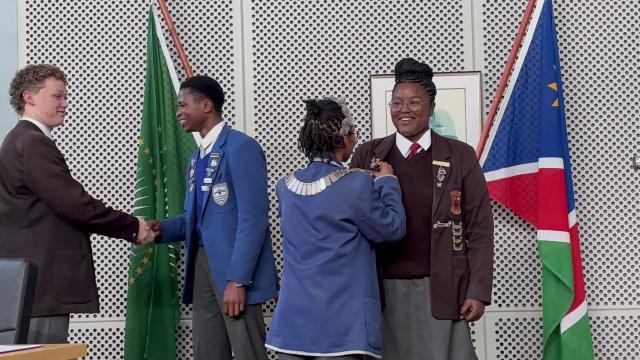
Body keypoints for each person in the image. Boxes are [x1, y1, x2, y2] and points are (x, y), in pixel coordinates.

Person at [351, 58, 494, 359]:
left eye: (414, 102)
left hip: (443, 288)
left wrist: (478, 291)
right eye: (397, 102)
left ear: (431, 106)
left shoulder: (460, 156)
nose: (404, 110)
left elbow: (480, 228)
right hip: (381, 289)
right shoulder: (367, 154)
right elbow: (351, 226)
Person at [0, 64, 154, 344]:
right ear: (29, 97)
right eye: (57, 96)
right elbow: (75, 205)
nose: (65, 104)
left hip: (31, 288)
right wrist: (132, 227)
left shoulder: (17, 141)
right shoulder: (33, 143)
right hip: (42, 287)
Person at [148, 75, 277, 360]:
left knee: (248, 353)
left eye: (183, 105)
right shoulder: (197, 158)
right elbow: (195, 221)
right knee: (207, 353)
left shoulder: (241, 147)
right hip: (202, 267)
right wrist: (158, 230)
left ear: (206, 105)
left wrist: (238, 280)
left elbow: (253, 219)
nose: (179, 112)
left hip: (234, 272)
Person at [266, 98, 406, 360]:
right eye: (354, 132)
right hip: (341, 327)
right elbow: (392, 230)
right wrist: (387, 181)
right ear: (343, 138)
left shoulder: (284, 187)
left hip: (292, 324)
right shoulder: (357, 183)